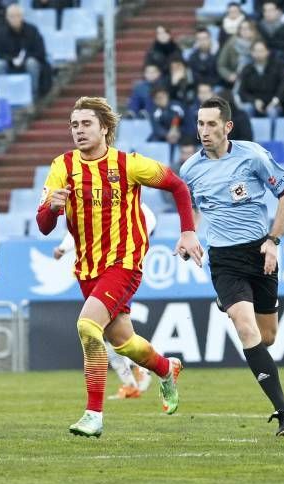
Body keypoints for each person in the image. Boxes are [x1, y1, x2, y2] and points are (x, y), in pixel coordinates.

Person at [35, 96, 202, 438]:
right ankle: (166, 368)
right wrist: (52, 208)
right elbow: (43, 225)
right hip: (88, 267)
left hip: (124, 262)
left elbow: (178, 186)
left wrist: (187, 232)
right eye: (74, 124)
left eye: (86, 124)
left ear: (105, 129)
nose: (78, 130)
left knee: (86, 326)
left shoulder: (129, 164)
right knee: (122, 340)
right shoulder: (61, 167)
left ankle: (93, 415)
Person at [179, 95, 284, 437]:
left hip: (259, 252)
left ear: (227, 126)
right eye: (200, 124)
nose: (204, 131)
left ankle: (234, 305)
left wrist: (273, 241)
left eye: (211, 124)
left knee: (266, 337)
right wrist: (188, 234)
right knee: (245, 328)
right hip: (224, 260)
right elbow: (189, 207)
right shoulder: (190, 169)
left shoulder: (253, 156)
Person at [52, 203, 159, 400]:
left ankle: (140, 373)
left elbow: (149, 218)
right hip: (101, 271)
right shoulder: (97, 194)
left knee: (106, 331)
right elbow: (80, 224)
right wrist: (64, 247)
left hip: (119, 271)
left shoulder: (127, 198)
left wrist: (62, 248)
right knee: (111, 334)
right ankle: (136, 376)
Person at [0, 4, 48, 98]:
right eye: (12, 16)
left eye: (17, 15)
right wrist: (11, 60)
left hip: (28, 62)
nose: (15, 19)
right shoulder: (1, 33)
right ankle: (4, 94)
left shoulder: (32, 30)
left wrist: (24, 59)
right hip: (10, 64)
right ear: (6, 17)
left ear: (22, 16)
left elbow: (41, 52)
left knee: (32, 63)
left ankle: (32, 95)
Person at [237, 40, 284, 118]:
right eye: (256, 51)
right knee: (246, 109)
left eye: (261, 51)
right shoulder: (247, 69)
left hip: (274, 103)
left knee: (272, 111)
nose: (258, 54)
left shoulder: (277, 66)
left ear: (267, 52)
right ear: (251, 53)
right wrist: (254, 101)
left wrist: (275, 100)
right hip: (254, 104)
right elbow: (242, 92)